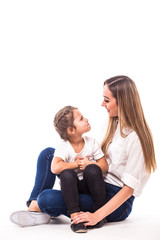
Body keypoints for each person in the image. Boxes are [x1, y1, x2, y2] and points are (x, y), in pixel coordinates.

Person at [10, 75, 156, 231]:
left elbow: (128, 190)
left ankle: (42, 207)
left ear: (123, 102)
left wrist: (97, 216)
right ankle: (34, 205)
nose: (102, 104)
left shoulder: (137, 138)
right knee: (48, 155)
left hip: (115, 201)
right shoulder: (113, 123)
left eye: (107, 100)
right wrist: (80, 162)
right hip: (95, 182)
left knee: (46, 198)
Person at [51, 105, 108, 232]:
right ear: (71, 130)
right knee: (66, 173)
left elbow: (104, 166)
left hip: (90, 186)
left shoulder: (92, 142)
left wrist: (89, 163)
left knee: (92, 169)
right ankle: (75, 218)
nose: (86, 119)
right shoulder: (63, 147)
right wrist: (76, 164)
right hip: (73, 189)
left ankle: (100, 214)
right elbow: (55, 168)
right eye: (81, 119)